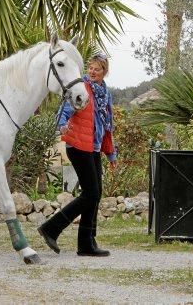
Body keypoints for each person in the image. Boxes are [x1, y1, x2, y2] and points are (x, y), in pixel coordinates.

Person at [38, 52, 117, 257]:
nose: (92, 71)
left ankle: (86, 244)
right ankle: (51, 228)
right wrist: (62, 124)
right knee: (91, 193)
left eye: (97, 69)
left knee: (95, 194)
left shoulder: (105, 94)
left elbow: (107, 126)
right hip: (78, 145)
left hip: (94, 147)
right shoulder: (81, 88)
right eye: (90, 67)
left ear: (104, 72)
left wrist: (111, 154)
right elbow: (65, 110)